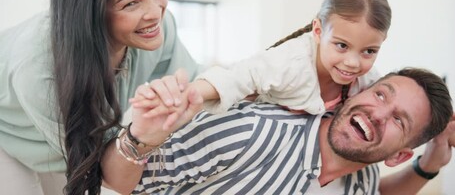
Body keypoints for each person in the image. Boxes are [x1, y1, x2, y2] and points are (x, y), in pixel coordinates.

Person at [0, 0, 202, 194]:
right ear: (90, 12)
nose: (155, 12)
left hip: (65, 140)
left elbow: (193, 93)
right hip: (7, 133)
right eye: (130, 3)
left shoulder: (160, 28)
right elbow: (106, 176)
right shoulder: (39, 69)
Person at [101, 67, 453, 194]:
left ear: (399, 156)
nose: (378, 113)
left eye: (398, 121)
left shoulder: (361, 182)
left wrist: (431, 164)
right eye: (380, 94)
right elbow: (119, 183)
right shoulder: (252, 130)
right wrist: (141, 137)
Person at [165, 0, 392, 117]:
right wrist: (186, 95)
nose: (353, 62)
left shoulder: (369, 80)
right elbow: (237, 77)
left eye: (369, 51)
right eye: (342, 45)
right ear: (318, 31)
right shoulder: (291, 61)